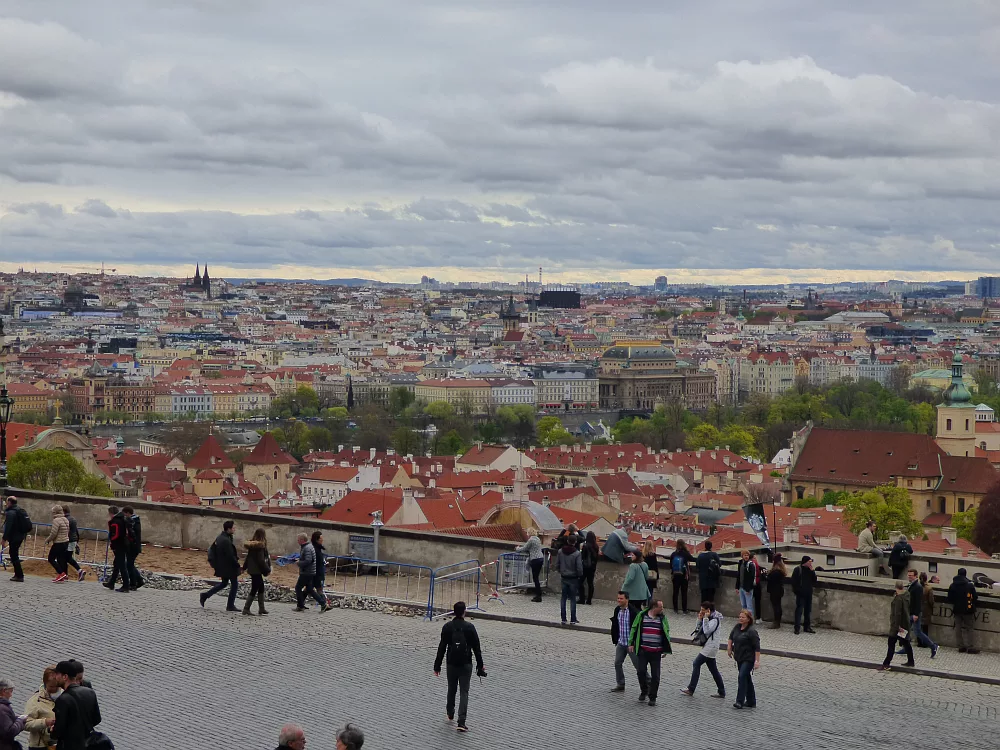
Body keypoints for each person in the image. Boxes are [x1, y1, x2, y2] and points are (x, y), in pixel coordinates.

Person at [433, 601, 486, 733]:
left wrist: (437, 666)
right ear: (464, 612)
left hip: (451, 663)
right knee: (464, 692)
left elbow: (442, 648)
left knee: (451, 689)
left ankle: (450, 712)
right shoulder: (470, 627)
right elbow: (476, 649)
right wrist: (480, 665)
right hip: (465, 664)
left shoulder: (447, 627)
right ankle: (461, 722)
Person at [628, 598, 671, 706]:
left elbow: (667, 632)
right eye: (660, 607)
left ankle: (653, 697)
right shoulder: (642, 616)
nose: (662, 609)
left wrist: (666, 648)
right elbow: (634, 628)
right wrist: (631, 643)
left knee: (656, 676)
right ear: (654, 607)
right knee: (641, 671)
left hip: (656, 652)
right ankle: (644, 690)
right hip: (643, 650)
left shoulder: (662, 618)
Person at [52, 660, 102, 750]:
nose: (55, 677)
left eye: (57, 674)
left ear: (65, 677)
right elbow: (97, 719)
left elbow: (58, 731)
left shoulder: (62, 700)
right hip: (88, 744)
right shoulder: (90, 692)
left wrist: (51, 730)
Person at [680, 601, 726, 699]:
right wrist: (699, 619)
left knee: (696, 663)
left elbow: (706, 630)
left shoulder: (715, 619)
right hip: (708, 646)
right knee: (713, 670)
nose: (701, 611)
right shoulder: (708, 618)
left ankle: (691, 689)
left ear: (708, 610)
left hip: (711, 646)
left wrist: (705, 619)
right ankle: (721, 691)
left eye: (703, 610)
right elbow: (698, 629)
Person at [200, 520, 240, 610]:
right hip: (228, 566)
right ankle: (230, 605)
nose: (235, 529)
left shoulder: (221, 537)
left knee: (224, 583)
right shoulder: (226, 540)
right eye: (233, 528)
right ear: (228, 529)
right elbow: (230, 556)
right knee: (234, 584)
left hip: (222, 566)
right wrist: (237, 565)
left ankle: (205, 595)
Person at [727, 609, 761, 709]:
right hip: (739, 657)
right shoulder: (737, 627)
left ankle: (739, 701)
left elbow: (757, 647)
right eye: (740, 617)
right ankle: (751, 701)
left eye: (743, 617)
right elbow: (731, 637)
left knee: (742, 677)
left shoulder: (752, 631)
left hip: (748, 658)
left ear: (748, 619)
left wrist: (757, 661)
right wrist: (729, 648)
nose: (740, 619)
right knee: (746, 678)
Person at [901, 569, 938, 658]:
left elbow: (918, 602)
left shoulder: (917, 587)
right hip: (910, 612)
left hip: (914, 613)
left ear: (916, 576)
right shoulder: (913, 585)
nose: (909, 576)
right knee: (906, 629)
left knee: (917, 632)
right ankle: (905, 647)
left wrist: (916, 614)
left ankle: (933, 646)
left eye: (911, 575)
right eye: (908, 575)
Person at [878, 580, 914, 670]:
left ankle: (886, 664)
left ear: (896, 587)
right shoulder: (907, 595)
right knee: (906, 642)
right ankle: (911, 661)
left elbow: (897, 613)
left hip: (897, 626)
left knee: (891, 643)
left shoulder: (898, 599)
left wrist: (897, 627)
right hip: (905, 624)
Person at [24, 666, 61, 750]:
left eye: (57, 686)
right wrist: (44, 722)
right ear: (44, 683)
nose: (55, 689)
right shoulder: (35, 701)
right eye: (51, 687)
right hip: (40, 746)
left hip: (60, 743)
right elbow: (26, 724)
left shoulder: (66, 697)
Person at [294, 533, 330, 612]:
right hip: (311, 572)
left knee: (298, 588)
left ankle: (300, 606)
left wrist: (299, 563)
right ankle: (323, 604)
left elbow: (308, 560)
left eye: (298, 540)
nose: (297, 541)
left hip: (307, 572)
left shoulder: (307, 548)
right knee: (310, 589)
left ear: (302, 540)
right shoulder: (309, 547)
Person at [947, 567, 980, 654]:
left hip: (957, 609)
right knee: (969, 628)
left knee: (958, 628)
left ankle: (960, 646)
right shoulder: (969, 585)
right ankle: (970, 647)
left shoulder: (953, 585)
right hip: (968, 609)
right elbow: (975, 597)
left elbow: (949, 598)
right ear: (965, 574)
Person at [610, 591, 637, 693]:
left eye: (621, 599)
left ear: (627, 599)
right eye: (618, 598)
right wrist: (616, 639)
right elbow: (616, 626)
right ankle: (620, 684)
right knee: (617, 663)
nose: (619, 600)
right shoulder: (617, 610)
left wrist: (634, 643)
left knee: (638, 666)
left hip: (631, 645)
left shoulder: (633, 612)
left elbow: (637, 629)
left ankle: (648, 684)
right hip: (621, 642)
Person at [242, 528, 271, 616]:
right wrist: (267, 569)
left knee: (261, 587)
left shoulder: (253, 545)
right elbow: (261, 561)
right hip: (257, 570)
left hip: (252, 569)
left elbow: (248, 557)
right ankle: (246, 609)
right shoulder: (260, 546)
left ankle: (261, 608)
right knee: (255, 588)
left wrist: (244, 567)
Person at [555, 533, 583, 624]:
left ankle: (563, 618)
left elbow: (557, 564)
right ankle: (573, 619)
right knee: (573, 598)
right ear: (575, 542)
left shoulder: (560, 551)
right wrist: (579, 575)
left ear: (567, 541)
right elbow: (579, 567)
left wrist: (561, 571)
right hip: (573, 578)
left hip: (564, 576)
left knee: (563, 597)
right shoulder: (577, 553)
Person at [103, 505, 131, 593]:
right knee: (117, 564)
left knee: (121, 565)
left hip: (119, 545)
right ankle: (111, 582)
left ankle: (126, 585)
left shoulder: (116, 521)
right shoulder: (122, 519)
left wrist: (112, 541)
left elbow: (115, 535)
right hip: (122, 544)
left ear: (111, 513)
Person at [1, 495, 28, 582]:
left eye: (6, 502)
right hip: (20, 536)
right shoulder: (19, 510)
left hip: (15, 537)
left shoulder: (11, 513)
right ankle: (18, 574)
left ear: (9, 502)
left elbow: (8, 527)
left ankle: (19, 575)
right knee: (14, 554)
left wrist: (4, 539)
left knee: (13, 555)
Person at [515, 527, 545, 602]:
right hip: (540, 558)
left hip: (535, 560)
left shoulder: (531, 540)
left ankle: (538, 596)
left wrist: (517, 548)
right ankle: (538, 594)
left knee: (535, 578)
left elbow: (525, 548)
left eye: (527, 532)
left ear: (529, 533)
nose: (527, 534)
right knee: (536, 577)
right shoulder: (537, 539)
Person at [791, 555, 817, 634]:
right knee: (799, 611)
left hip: (808, 593)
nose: (810, 563)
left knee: (807, 611)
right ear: (805, 562)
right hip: (800, 593)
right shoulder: (798, 569)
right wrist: (797, 591)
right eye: (809, 561)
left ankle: (807, 627)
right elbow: (794, 582)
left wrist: (813, 571)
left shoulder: (810, 570)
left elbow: (814, 580)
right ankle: (797, 628)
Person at [45, 505, 71, 583]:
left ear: (55, 512)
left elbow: (54, 533)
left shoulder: (56, 520)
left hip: (58, 542)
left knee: (51, 558)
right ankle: (64, 575)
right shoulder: (65, 519)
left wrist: (48, 540)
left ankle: (61, 573)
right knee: (61, 559)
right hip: (65, 541)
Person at [0, 678, 28, 750]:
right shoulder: (2, 709)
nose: (11, 695)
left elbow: (5, 722)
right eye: (10, 692)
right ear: (3, 691)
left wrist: (16, 719)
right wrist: (20, 721)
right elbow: (10, 732)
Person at [621, 550, 650, 620]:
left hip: (633, 593)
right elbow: (647, 576)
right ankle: (641, 620)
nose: (631, 557)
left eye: (633, 555)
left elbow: (630, 578)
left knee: (631, 607)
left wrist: (624, 585)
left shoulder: (633, 566)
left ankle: (635, 620)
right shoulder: (645, 564)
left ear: (636, 557)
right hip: (642, 591)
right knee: (638, 607)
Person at [669, 539, 694, 614]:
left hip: (675, 575)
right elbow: (692, 559)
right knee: (684, 592)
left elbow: (671, 565)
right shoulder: (685, 553)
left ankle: (675, 609)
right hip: (684, 575)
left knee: (675, 592)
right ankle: (684, 609)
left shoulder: (674, 554)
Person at [62, 505, 86, 582]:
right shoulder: (73, 519)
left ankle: (79, 571)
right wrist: (76, 542)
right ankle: (65, 574)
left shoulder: (65, 520)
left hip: (68, 541)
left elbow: (67, 532)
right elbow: (76, 531)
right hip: (73, 540)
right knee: (66, 558)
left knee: (66, 558)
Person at [123, 506, 144, 590]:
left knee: (129, 565)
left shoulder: (132, 521)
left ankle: (134, 583)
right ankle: (138, 580)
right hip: (134, 546)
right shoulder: (135, 521)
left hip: (133, 547)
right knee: (130, 564)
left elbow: (132, 535)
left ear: (128, 513)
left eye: (124, 514)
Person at [764, 553, 787, 629]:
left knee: (776, 607)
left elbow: (771, 580)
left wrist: (765, 576)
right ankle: (777, 622)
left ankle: (776, 623)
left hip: (775, 590)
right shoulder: (781, 569)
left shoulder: (776, 571)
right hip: (779, 590)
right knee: (778, 606)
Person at [735, 549, 759, 615]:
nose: (746, 556)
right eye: (745, 555)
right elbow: (739, 575)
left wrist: (748, 588)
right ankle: (744, 619)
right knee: (743, 605)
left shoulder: (751, 564)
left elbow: (752, 577)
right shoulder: (740, 563)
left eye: (747, 555)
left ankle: (750, 620)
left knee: (749, 606)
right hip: (741, 587)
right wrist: (737, 587)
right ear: (742, 556)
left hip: (748, 588)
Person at [580, 531, 600, 605]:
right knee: (590, 583)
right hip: (593, 567)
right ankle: (589, 600)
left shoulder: (585, 546)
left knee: (580, 582)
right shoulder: (596, 546)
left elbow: (582, 556)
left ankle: (582, 599)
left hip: (585, 567)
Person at [311, 531, 327, 603]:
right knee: (311, 589)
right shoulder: (315, 549)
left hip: (317, 573)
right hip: (315, 573)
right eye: (321, 538)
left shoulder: (318, 549)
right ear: (317, 539)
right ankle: (324, 603)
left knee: (310, 589)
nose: (322, 540)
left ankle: (324, 604)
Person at [920, 572, 936, 643]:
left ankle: (919, 641)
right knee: (925, 627)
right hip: (926, 609)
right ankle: (925, 642)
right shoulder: (929, 588)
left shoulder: (917, 586)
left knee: (918, 626)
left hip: (918, 608)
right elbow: (931, 601)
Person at [642, 540, 659, 604]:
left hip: (644, 574)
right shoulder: (653, 555)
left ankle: (643, 602)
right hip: (651, 574)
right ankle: (649, 603)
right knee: (650, 590)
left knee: (644, 589)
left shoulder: (643, 554)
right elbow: (655, 566)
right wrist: (657, 575)